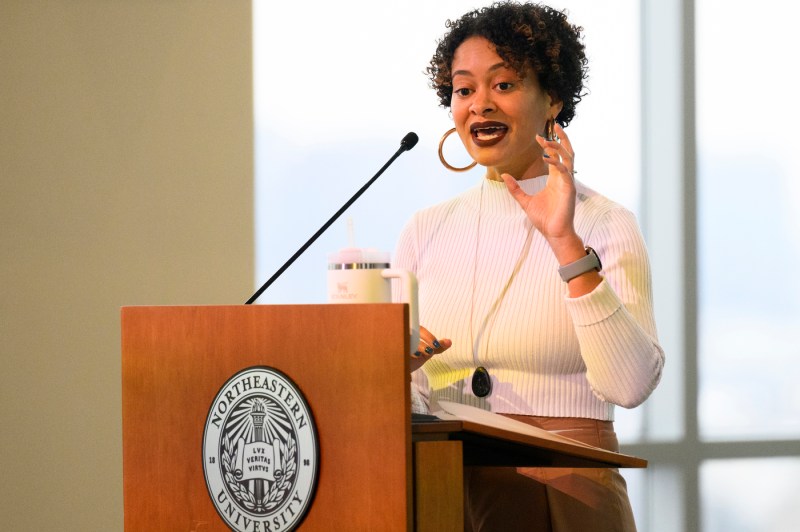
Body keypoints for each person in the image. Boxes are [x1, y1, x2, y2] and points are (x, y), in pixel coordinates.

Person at [393, 2, 665, 531]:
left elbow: (630, 386)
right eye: (464, 89)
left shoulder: (604, 223)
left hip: (567, 491)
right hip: (445, 488)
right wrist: (394, 369)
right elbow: (407, 396)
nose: (480, 105)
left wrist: (564, 242)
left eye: (504, 85)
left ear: (553, 99)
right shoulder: (425, 229)